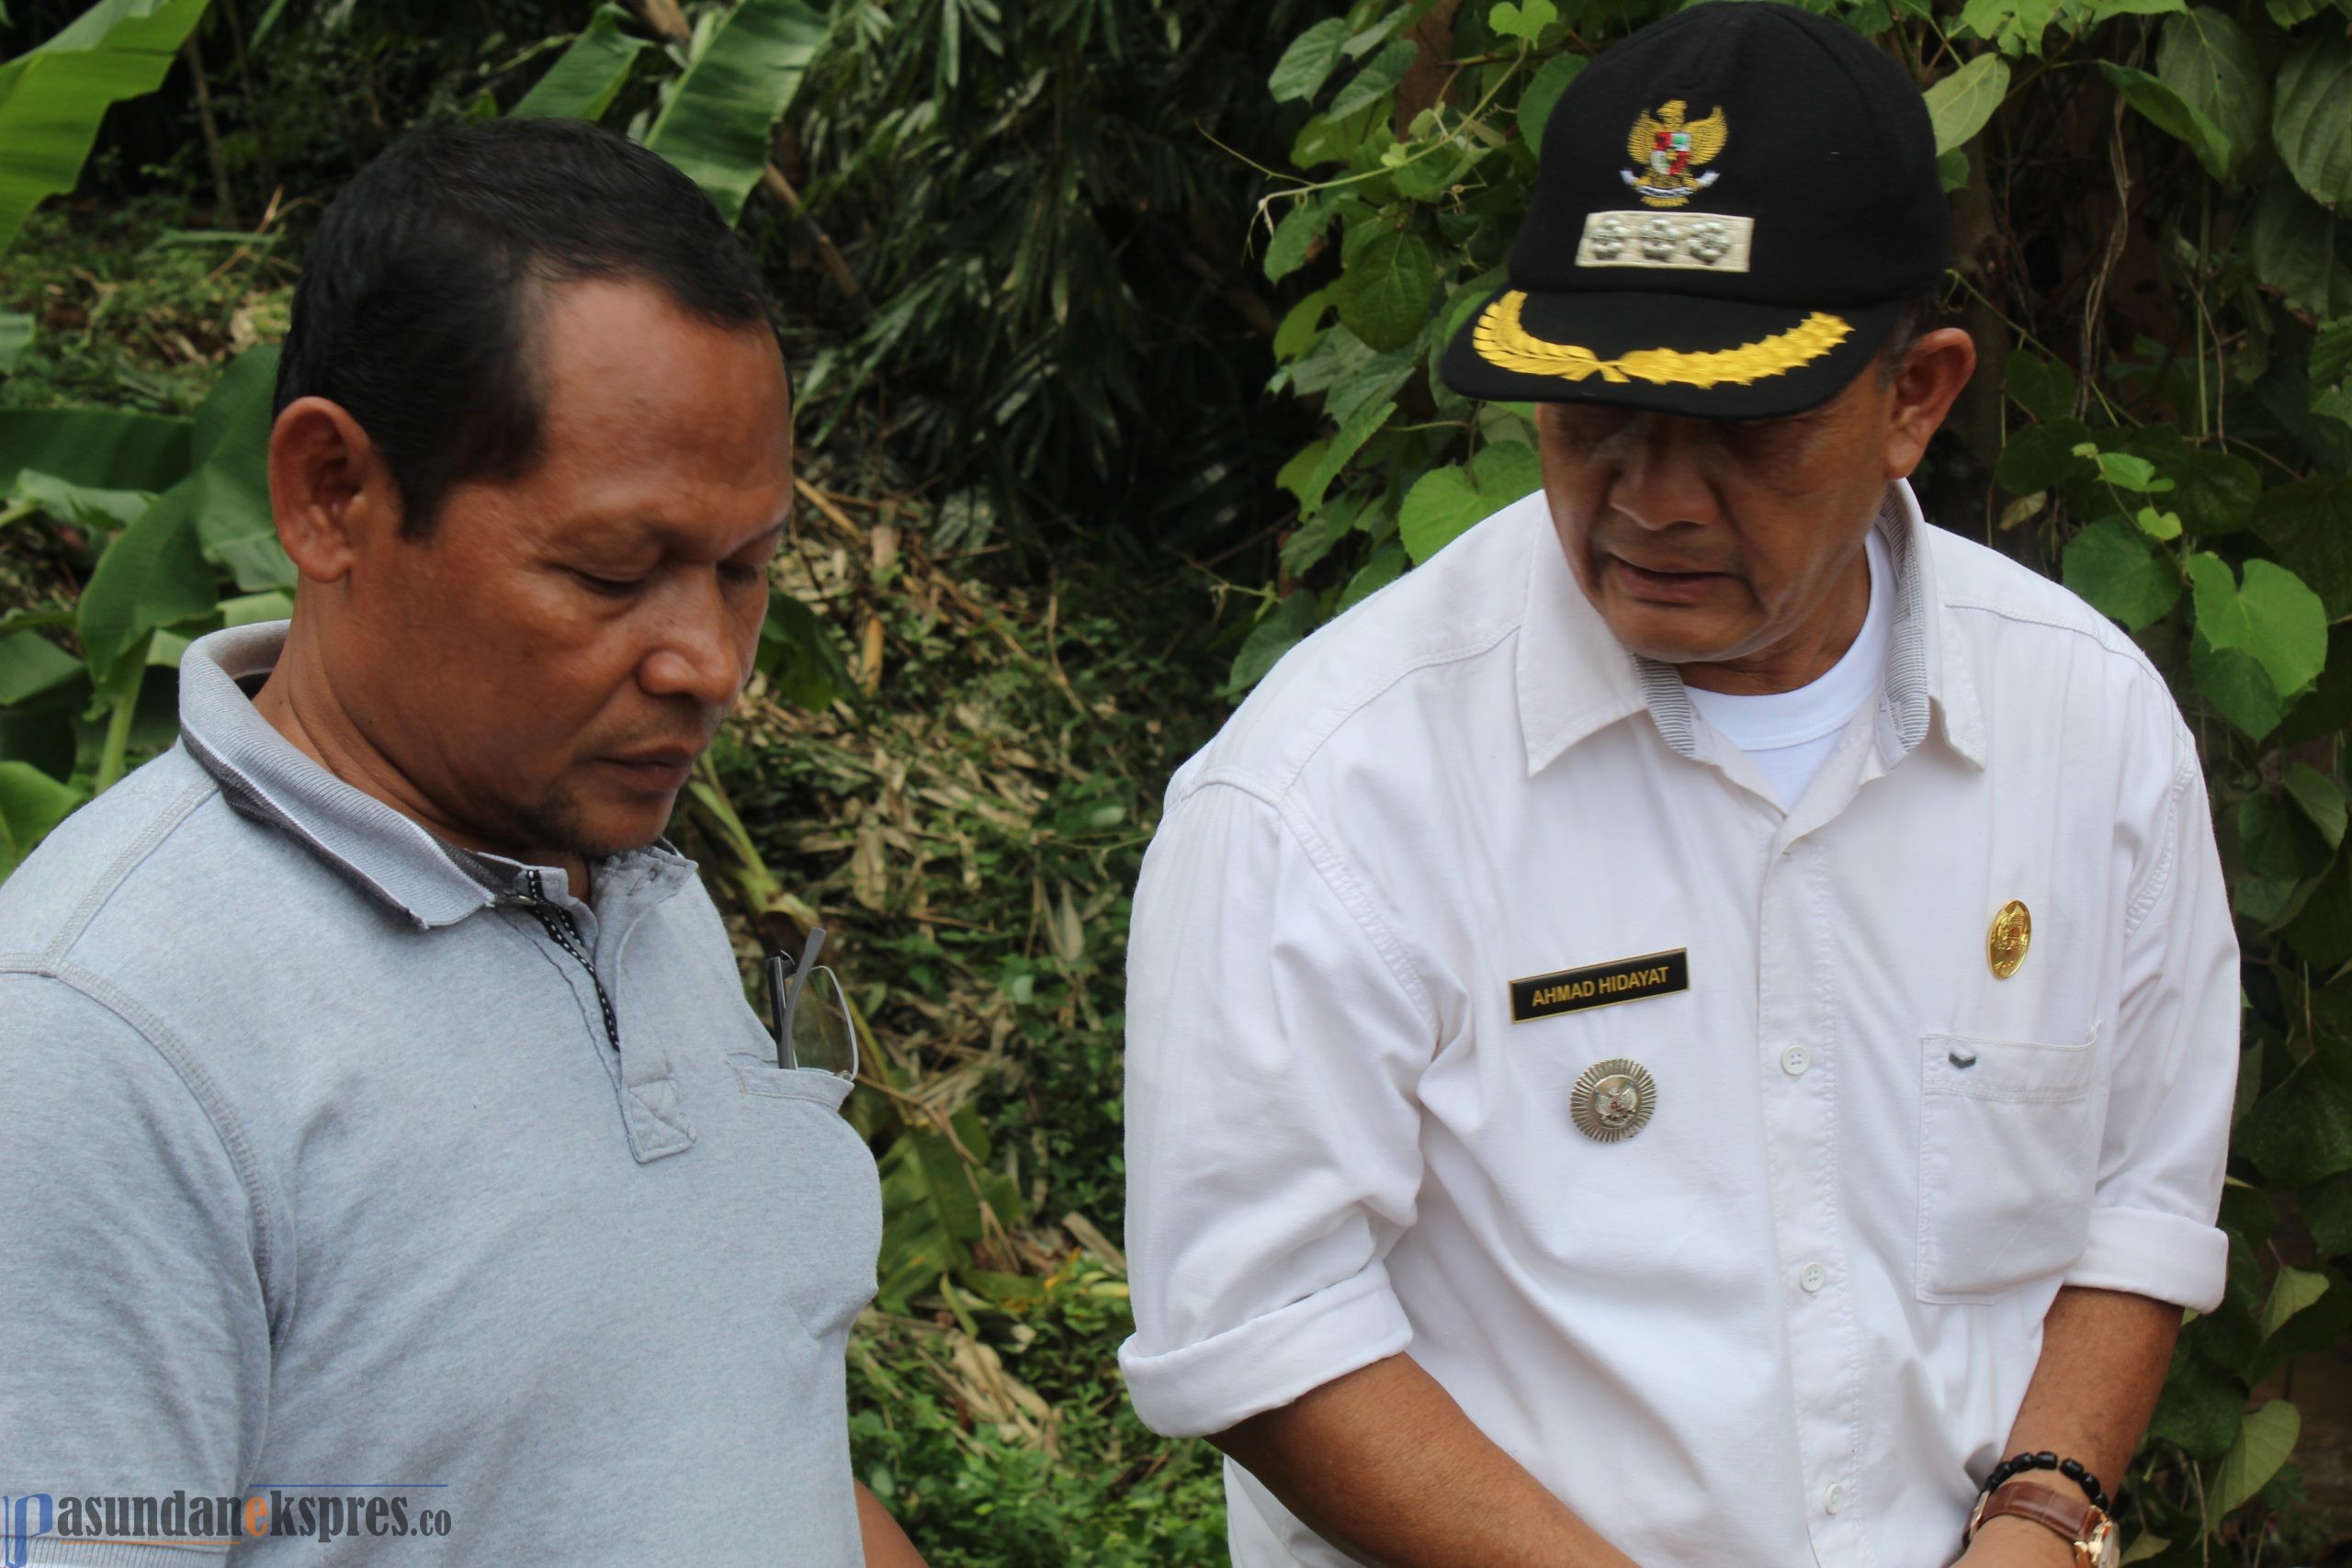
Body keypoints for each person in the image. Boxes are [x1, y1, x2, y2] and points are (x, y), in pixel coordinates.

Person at [1118, 7, 2236, 1568]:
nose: (1649, 498)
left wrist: (2044, 1513)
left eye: (1733, 422)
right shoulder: (1324, 793)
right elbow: (1259, 1324)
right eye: (1590, 411)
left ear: (1915, 396)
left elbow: (2139, 1200)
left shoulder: (2087, 726)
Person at [0, 118, 923, 1566]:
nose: (708, 662)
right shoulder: (99, 1052)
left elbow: (739, 1430)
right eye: (615, 571)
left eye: (744, 572)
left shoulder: (626, 882)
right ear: (332, 497)